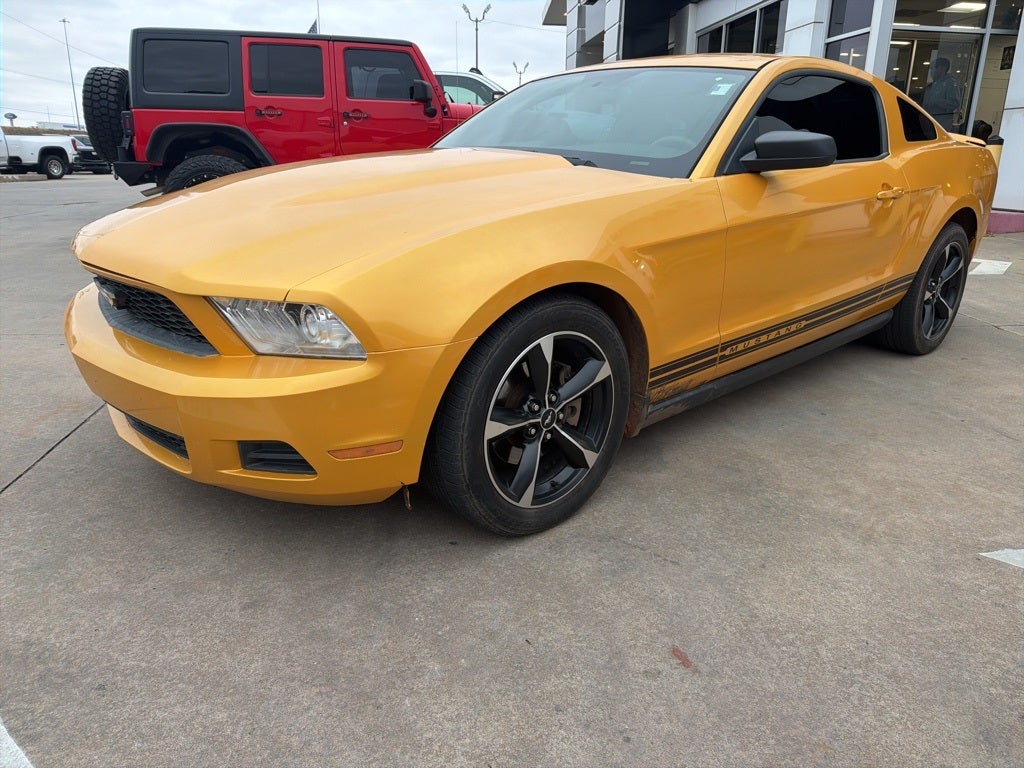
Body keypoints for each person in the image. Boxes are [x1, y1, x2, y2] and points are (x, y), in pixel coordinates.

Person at [922, 57, 960, 131]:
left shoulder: (950, 84)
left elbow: (955, 103)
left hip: (940, 124)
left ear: (942, 68)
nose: (931, 72)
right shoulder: (931, 85)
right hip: (927, 122)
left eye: (934, 68)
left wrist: (936, 102)